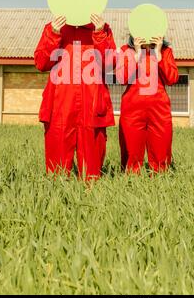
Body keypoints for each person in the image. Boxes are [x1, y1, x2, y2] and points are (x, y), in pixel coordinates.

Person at [34, 14, 116, 180]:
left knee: (91, 172)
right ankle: (57, 199)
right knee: (57, 170)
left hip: (92, 102)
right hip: (60, 103)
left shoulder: (102, 28)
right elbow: (41, 63)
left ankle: (92, 199)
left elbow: (109, 64)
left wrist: (99, 33)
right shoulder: (53, 28)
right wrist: (54, 34)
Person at [116, 34, 179, 173]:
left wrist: (159, 55)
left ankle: (160, 181)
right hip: (132, 109)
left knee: (161, 150)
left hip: (159, 109)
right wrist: (137, 56)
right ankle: (131, 182)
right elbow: (121, 78)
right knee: (131, 152)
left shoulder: (165, 51)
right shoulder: (126, 50)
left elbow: (172, 79)